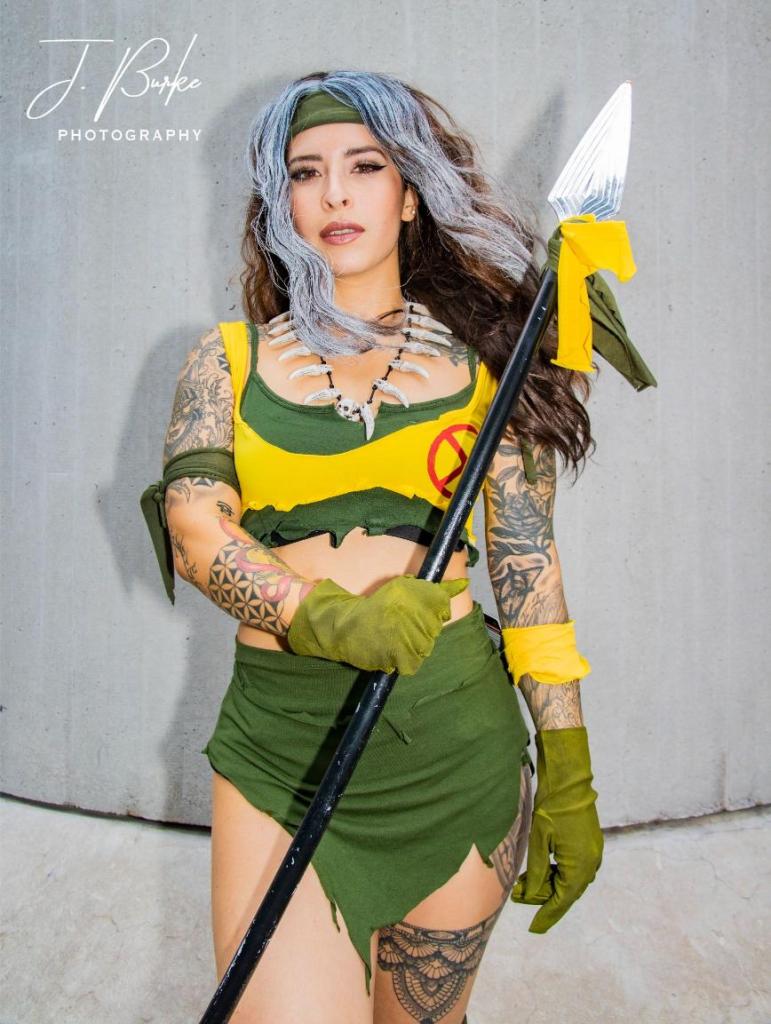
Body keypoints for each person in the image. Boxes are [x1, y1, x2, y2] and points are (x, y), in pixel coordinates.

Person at [140, 69, 656, 1024]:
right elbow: (195, 528)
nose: (334, 193)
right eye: (305, 172)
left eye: (366, 166)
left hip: (457, 752)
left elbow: (529, 578)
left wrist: (569, 769)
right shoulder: (225, 360)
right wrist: (324, 617)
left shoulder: (488, 367)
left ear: (410, 192)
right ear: (280, 200)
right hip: (280, 754)